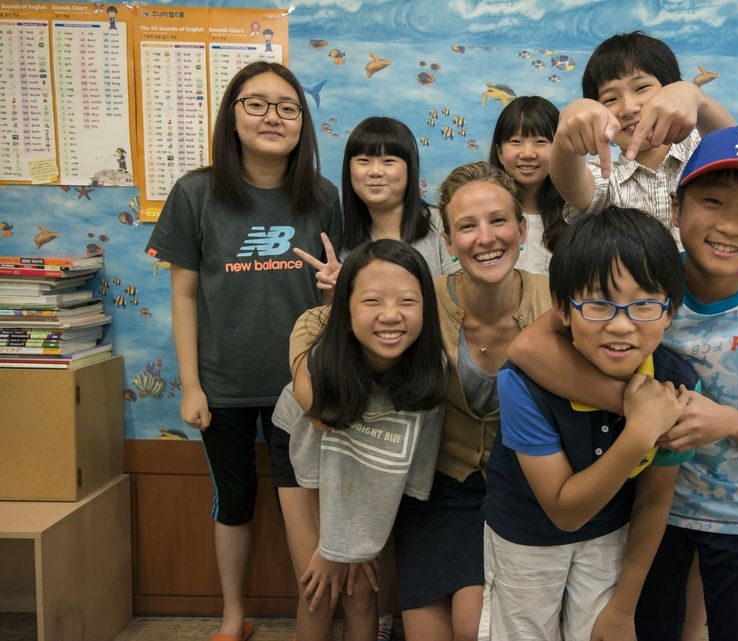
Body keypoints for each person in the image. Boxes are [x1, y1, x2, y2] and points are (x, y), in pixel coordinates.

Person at [509, 124, 738, 641]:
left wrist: (722, 421)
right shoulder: (640, 277)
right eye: (713, 201)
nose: (731, 224)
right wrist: (643, 409)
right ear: (677, 209)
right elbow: (527, 347)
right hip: (640, 509)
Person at [145, 60, 341, 641]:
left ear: (302, 123)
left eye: (287, 107)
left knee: (307, 508)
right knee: (234, 500)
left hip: (303, 385)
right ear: (232, 116)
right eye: (256, 104)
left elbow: (342, 291)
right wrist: (190, 385)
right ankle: (233, 617)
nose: (272, 117)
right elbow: (183, 296)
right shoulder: (195, 193)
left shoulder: (323, 196)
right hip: (222, 385)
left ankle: (317, 617)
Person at [481, 206, 698, 641]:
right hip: (527, 536)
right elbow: (564, 512)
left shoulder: (675, 385)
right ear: (562, 309)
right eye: (598, 304)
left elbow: (654, 501)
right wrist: (639, 431)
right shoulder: (523, 384)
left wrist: (624, 608)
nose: (621, 326)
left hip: (610, 531)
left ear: (671, 310)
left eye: (645, 305)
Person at [392, 162, 553, 641]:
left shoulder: (557, 303)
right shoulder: (420, 298)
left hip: (526, 497)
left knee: (473, 627)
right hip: (438, 494)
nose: (485, 238)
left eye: (498, 221)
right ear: (448, 241)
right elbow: (322, 327)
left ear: (522, 229)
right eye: (467, 225)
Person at [274, 239, 448, 641]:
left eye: (407, 301)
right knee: (318, 591)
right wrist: (333, 545)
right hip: (308, 462)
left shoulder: (431, 370)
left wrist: (357, 543)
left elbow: (404, 475)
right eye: (371, 301)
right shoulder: (325, 366)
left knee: (362, 593)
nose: (390, 315)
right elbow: (321, 461)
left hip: (376, 474)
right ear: (345, 310)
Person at [550, 30, 735, 246]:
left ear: (671, 89)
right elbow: (568, 183)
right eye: (610, 99)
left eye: (641, 88)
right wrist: (566, 135)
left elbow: (733, 145)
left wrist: (696, 97)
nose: (628, 108)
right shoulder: (606, 176)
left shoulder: (701, 151)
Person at [341, 116, 457, 277]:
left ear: (410, 169)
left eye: (388, 161)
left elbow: (461, 293)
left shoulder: (441, 224)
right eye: (364, 161)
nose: (375, 171)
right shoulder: (343, 242)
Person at [488, 95, 568, 274]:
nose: (528, 153)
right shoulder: (484, 214)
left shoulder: (575, 215)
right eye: (516, 142)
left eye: (540, 142)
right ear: (500, 153)